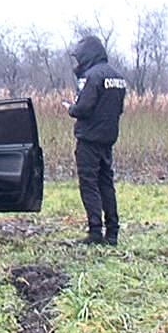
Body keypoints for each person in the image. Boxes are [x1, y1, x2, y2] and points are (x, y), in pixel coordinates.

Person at [66, 35, 127, 245]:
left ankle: (94, 231)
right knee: (106, 184)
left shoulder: (92, 77)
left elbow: (83, 108)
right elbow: (119, 109)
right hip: (108, 139)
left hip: (89, 139)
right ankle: (112, 232)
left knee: (89, 184)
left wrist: (71, 109)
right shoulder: (118, 77)